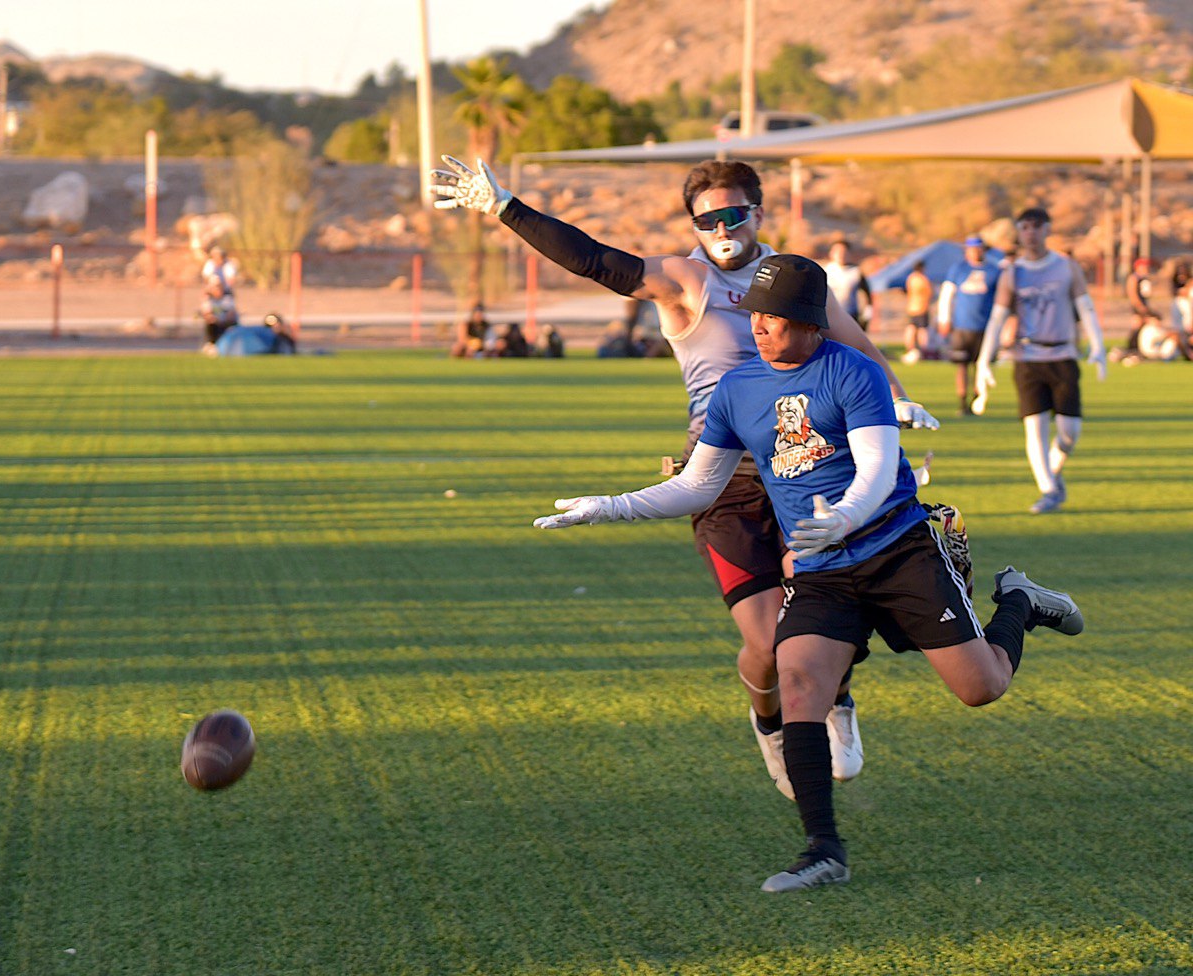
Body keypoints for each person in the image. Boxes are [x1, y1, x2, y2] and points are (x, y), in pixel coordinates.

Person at [533, 253, 1084, 892]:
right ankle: (824, 851)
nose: (758, 327)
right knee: (797, 684)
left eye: (773, 316)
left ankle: (1017, 599)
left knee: (980, 688)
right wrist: (611, 507)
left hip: (895, 548)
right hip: (822, 567)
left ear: (811, 321)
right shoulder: (738, 388)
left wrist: (845, 518)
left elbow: (878, 470)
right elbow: (699, 485)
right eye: (754, 314)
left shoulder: (852, 370)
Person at [431, 155, 939, 801]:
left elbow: (860, 349)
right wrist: (508, 208)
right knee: (767, 640)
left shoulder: (792, 279)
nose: (721, 226)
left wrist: (890, 410)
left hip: (805, 469)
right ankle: (770, 722)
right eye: (707, 218)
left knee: (816, 617)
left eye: (733, 213)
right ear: (693, 224)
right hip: (721, 475)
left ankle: (836, 696)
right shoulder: (684, 279)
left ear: (758, 211)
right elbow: (596, 260)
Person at [974, 207, 1107, 515]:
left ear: (1047, 229)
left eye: (1036, 226)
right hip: (1027, 357)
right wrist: (984, 362)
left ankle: (1054, 472)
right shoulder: (1012, 272)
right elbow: (997, 319)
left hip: (1062, 355)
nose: (1030, 232)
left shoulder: (1066, 267)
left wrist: (1098, 346)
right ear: (1018, 232)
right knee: (1034, 428)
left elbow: (1086, 308)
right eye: (1024, 227)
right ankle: (1048, 490)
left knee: (1069, 432)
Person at [938, 236, 1002, 414]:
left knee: (981, 365)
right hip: (962, 325)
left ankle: (977, 397)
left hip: (985, 326)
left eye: (978, 248)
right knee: (961, 364)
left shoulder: (994, 270)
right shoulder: (958, 269)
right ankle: (962, 400)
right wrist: (944, 318)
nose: (975, 252)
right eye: (971, 248)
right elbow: (947, 294)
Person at [822, 239, 874, 331]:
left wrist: (867, 316)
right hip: (829, 315)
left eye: (844, 251)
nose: (841, 254)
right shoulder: (825, 271)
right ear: (831, 253)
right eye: (837, 251)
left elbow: (867, 295)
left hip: (850, 315)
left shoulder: (856, 272)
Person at [901, 260, 935, 363]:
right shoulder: (922, 279)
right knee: (922, 330)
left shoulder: (910, 278)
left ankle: (910, 349)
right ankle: (923, 351)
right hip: (921, 308)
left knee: (911, 328)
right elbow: (929, 293)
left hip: (911, 308)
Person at [198, 273, 238, 349]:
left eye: (219, 287)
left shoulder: (227, 298)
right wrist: (213, 318)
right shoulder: (208, 300)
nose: (218, 290)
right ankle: (211, 344)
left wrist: (223, 319)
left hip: (226, 323)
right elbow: (207, 313)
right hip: (215, 324)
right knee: (211, 324)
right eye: (215, 287)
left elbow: (231, 314)